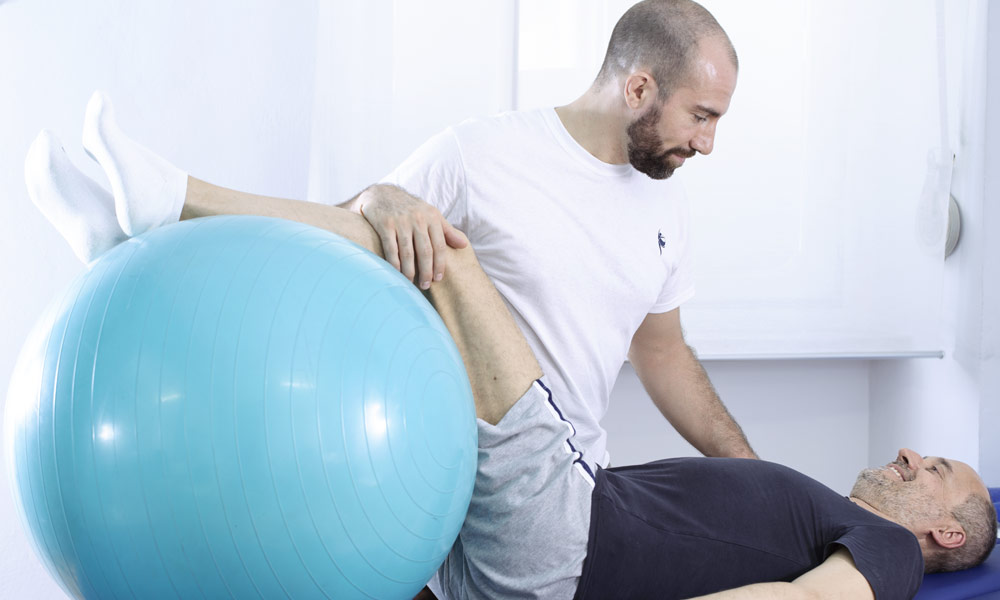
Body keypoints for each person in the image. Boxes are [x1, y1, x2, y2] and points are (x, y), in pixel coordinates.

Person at [24, 100, 998, 600]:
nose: (912, 451)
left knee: (435, 248)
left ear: (946, 534)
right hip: (522, 542)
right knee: (404, 241)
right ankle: (144, 223)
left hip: (561, 529)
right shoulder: (818, 508)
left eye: (937, 467)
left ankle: (158, 209)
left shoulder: (886, 554)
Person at [343, 0, 755, 471]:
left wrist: (754, 474)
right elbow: (344, 239)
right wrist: (372, 198)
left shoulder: (667, 199)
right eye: (700, 117)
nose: (707, 143)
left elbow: (661, 351)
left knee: (776, 515)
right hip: (478, 485)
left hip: (583, 481)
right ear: (639, 89)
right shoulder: (480, 154)